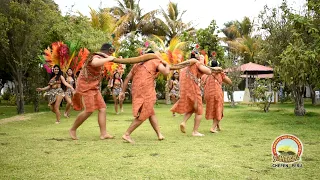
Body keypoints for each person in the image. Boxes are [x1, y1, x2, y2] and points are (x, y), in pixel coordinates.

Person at [119, 51, 170, 143]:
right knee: (144, 113)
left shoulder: (137, 64)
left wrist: (122, 92)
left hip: (136, 91)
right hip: (146, 91)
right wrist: (167, 64)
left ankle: (159, 134)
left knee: (150, 112)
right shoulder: (155, 61)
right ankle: (127, 134)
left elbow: (127, 78)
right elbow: (166, 72)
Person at [69, 43, 116, 140]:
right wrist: (108, 59)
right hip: (85, 86)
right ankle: (73, 129)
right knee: (89, 110)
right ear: (107, 52)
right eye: (110, 54)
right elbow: (95, 63)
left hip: (94, 87)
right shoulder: (96, 56)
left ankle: (103, 134)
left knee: (102, 108)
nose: (111, 56)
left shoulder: (101, 58)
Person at [170, 52, 221, 136]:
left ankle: (183, 122)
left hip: (185, 90)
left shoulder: (184, 66)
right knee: (199, 111)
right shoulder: (197, 63)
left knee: (192, 108)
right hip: (193, 90)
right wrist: (201, 62)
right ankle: (195, 131)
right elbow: (208, 71)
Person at [202, 60, 232, 133]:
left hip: (207, 94)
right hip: (216, 93)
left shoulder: (205, 74)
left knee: (214, 109)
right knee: (219, 109)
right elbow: (229, 82)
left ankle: (217, 126)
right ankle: (212, 128)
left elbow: (202, 84)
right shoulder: (219, 73)